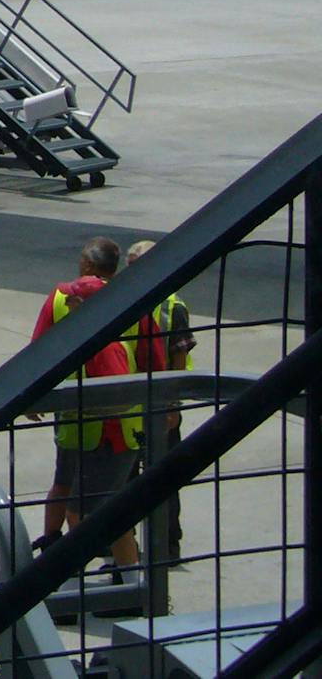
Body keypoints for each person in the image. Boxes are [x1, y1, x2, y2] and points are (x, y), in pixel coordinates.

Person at [31, 236, 161, 574]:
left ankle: (89, 577)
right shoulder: (135, 299)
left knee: (81, 508)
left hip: (77, 422)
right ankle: (125, 578)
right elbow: (154, 361)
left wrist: (32, 398)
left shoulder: (60, 298)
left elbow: (37, 353)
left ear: (87, 265)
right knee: (103, 506)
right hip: (123, 423)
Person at [126, 238, 194, 561]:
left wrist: (173, 407)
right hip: (129, 406)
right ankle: (126, 548)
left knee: (165, 479)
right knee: (126, 479)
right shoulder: (123, 300)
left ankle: (168, 545)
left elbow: (179, 359)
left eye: (134, 266)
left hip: (160, 405)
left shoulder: (171, 307)